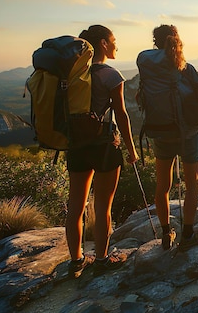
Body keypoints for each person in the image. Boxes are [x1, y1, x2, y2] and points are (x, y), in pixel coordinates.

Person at [66, 25, 139, 278]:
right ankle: (101, 259)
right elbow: (122, 115)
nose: (116, 45)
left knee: (75, 205)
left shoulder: (71, 73)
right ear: (103, 44)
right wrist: (132, 149)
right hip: (105, 146)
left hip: (76, 144)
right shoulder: (110, 75)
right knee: (103, 207)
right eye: (113, 41)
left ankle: (75, 261)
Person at [139, 24, 198, 251]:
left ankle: (166, 232)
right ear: (176, 40)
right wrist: (195, 116)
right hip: (187, 133)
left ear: (155, 42)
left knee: (163, 186)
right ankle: (187, 234)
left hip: (160, 131)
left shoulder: (147, 66)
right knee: (192, 185)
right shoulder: (185, 68)